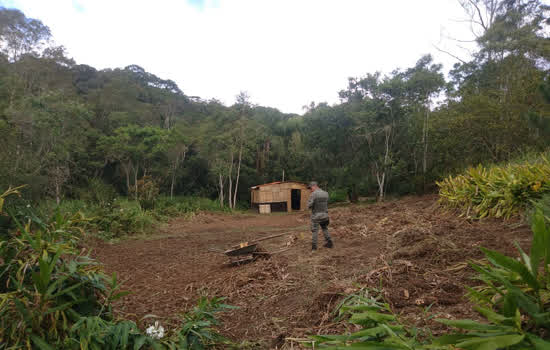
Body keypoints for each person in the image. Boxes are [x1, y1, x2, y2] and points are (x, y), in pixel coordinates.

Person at [307, 181, 333, 251]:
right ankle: (330, 242)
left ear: (314, 186)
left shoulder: (313, 194)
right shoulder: (326, 193)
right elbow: (327, 203)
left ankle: (314, 247)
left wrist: (309, 204)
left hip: (316, 216)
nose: (310, 190)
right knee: (324, 228)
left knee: (315, 231)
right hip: (325, 215)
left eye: (310, 188)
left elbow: (309, 205)